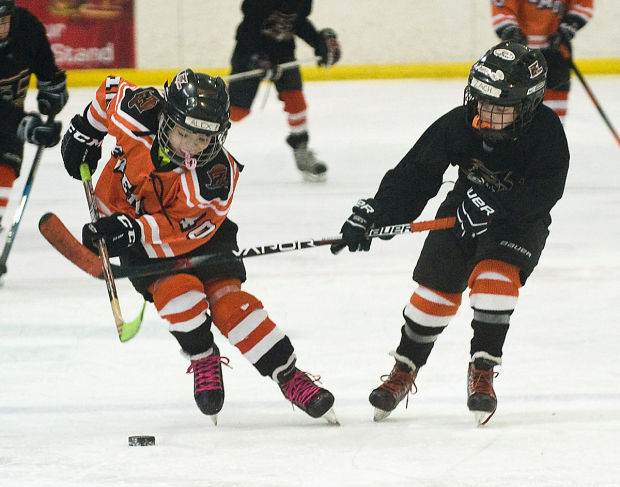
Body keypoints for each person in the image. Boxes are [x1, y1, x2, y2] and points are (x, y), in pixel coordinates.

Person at [59, 68, 337, 425]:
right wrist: (87, 130)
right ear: (166, 120)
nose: (192, 147)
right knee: (180, 295)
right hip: (133, 230)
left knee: (231, 306)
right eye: (184, 134)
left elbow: (181, 230)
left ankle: (287, 373)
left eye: (203, 139)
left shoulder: (216, 176)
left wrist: (130, 230)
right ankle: (202, 356)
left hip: (198, 234)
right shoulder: (138, 110)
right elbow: (111, 89)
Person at [332, 41, 569, 425]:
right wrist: (376, 216)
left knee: (495, 280)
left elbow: (546, 190)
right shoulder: (459, 123)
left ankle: (482, 371)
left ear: (527, 106)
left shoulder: (546, 132)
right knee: (432, 295)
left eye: (501, 108)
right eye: (482, 101)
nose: (487, 113)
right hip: (462, 209)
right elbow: (415, 175)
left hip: (518, 222)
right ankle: (404, 370)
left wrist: (499, 211)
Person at [228, 0, 341, 182]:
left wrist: (318, 42)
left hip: (283, 53)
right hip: (249, 53)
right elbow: (248, 27)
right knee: (236, 112)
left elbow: (299, 23)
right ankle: (198, 136)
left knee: (296, 101)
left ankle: (301, 149)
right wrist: (257, 58)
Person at [0, 0, 67, 232]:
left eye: (3, 21)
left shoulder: (27, 27)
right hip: (10, 125)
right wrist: (23, 125)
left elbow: (46, 66)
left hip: (7, 139)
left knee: (5, 168)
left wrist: (52, 87)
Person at [491, 0, 593, 123]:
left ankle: (553, 138)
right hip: (520, 55)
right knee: (515, 107)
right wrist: (511, 31)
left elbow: (583, 4)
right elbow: (502, 8)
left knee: (555, 111)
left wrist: (567, 27)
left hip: (556, 52)